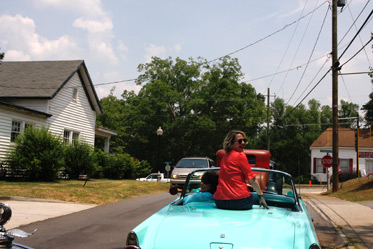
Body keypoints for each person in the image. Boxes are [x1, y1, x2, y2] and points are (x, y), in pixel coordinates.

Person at [214, 130, 269, 210]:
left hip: (220, 201)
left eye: (244, 140)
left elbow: (229, 177)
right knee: (259, 199)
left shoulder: (225, 157)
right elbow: (252, 179)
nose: (243, 143)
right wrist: (261, 196)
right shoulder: (240, 156)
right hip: (239, 201)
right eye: (240, 141)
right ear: (231, 143)